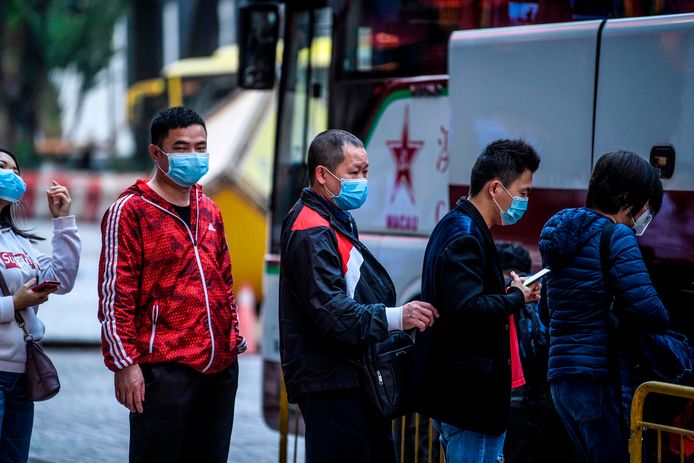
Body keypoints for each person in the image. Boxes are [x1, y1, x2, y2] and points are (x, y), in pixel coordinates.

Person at [279, 129, 438, 463]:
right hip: (331, 383)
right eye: (354, 173)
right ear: (322, 174)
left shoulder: (333, 218)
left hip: (350, 376)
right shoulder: (311, 229)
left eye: (365, 171)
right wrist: (397, 317)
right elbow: (332, 312)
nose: (362, 180)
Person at [97, 107, 246, 463]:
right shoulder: (130, 210)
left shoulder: (209, 209)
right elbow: (116, 296)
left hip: (219, 369)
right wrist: (125, 365)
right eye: (181, 148)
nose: (193, 156)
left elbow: (224, 279)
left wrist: (232, 336)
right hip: (162, 371)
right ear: (156, 153)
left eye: (200, 147)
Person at [538, 150, 670, 463]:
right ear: (629, 200)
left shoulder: (563, 236)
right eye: (647, 208)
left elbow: (546, 313)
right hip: (597, 380)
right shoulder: (616, 236)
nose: (645, 218)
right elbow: (649, 310)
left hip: (561, 381)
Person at [415, 139, 541, 463]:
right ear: (496, 188)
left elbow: (464, 295)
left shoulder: (457, 225)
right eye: (523, 192)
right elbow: (467, 309)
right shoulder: (466, 234)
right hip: (469, 401)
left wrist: (512, 293)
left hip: (459, 397)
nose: (525, 200)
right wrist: (514, 297)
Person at [0, 148, 80, 462]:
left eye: (15, 170)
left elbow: (62, 278)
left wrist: (63, 222)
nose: (10, 174)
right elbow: (15, 302)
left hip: (21, 377)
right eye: (1, 166)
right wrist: (14, 304)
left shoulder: (18, 240)